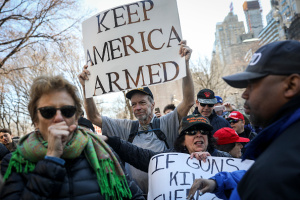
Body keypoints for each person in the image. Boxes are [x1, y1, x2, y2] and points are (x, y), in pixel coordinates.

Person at [187, 40, 300, 200]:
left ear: (291, 85)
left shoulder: (290, 157)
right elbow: (258, 173)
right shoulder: (283, 143)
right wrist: (218, 183)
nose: (244, 94)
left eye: (253, 85)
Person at [78, 40, 195, 194]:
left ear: (153, 105)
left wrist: (185, 64)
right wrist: (86, 87)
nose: (137, 108)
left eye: (142, 103)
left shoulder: (167, 123)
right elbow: (93, 116)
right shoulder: (126, 128)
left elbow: (188, 101)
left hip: (167, 193)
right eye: (133, 104)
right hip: (137, 196)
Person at [0, 75, 144, 200]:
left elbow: (134, 196)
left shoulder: (103, 151)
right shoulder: (15, 162)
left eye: (67, 111)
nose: (58, 118)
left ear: (76, 118)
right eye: (48, 111)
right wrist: (51, 159)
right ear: (35, 120)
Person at [100, 114, 232, 174]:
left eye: (203, 131)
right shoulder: (170, 158)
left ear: (208, 137)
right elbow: (141, 156)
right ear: (182, 140)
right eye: (191, 132)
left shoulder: (223, 159)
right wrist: (110, 140)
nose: (198, 134)